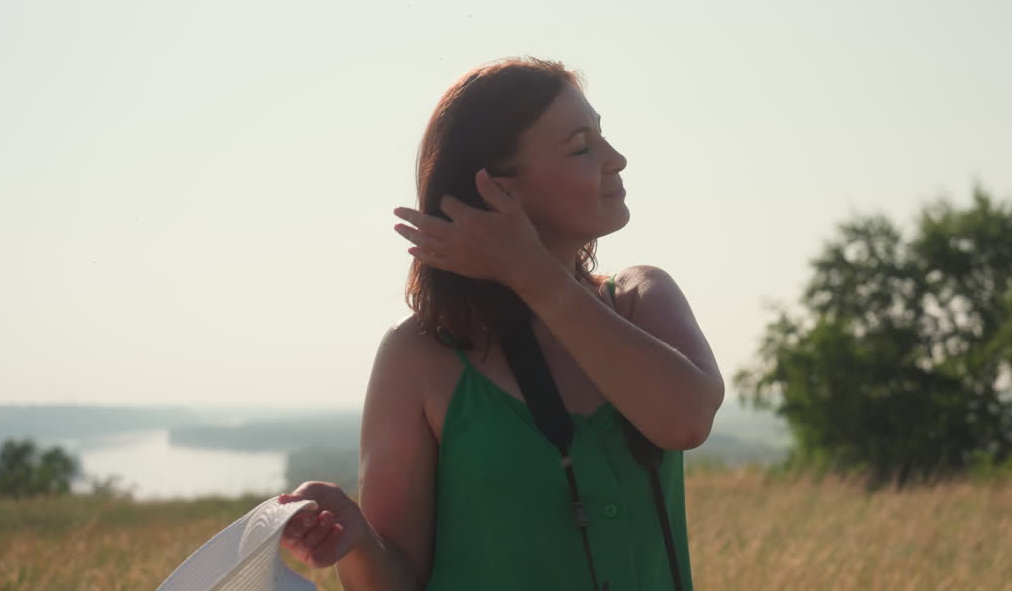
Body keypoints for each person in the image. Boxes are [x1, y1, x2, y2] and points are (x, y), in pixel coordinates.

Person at [276, 57, 724, 590]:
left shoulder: (639, 299)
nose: (616, 159)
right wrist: (351, 538)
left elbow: (686, 420)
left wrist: (531, 272)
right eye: (582, 146)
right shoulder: (419, 354)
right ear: (500, 191)